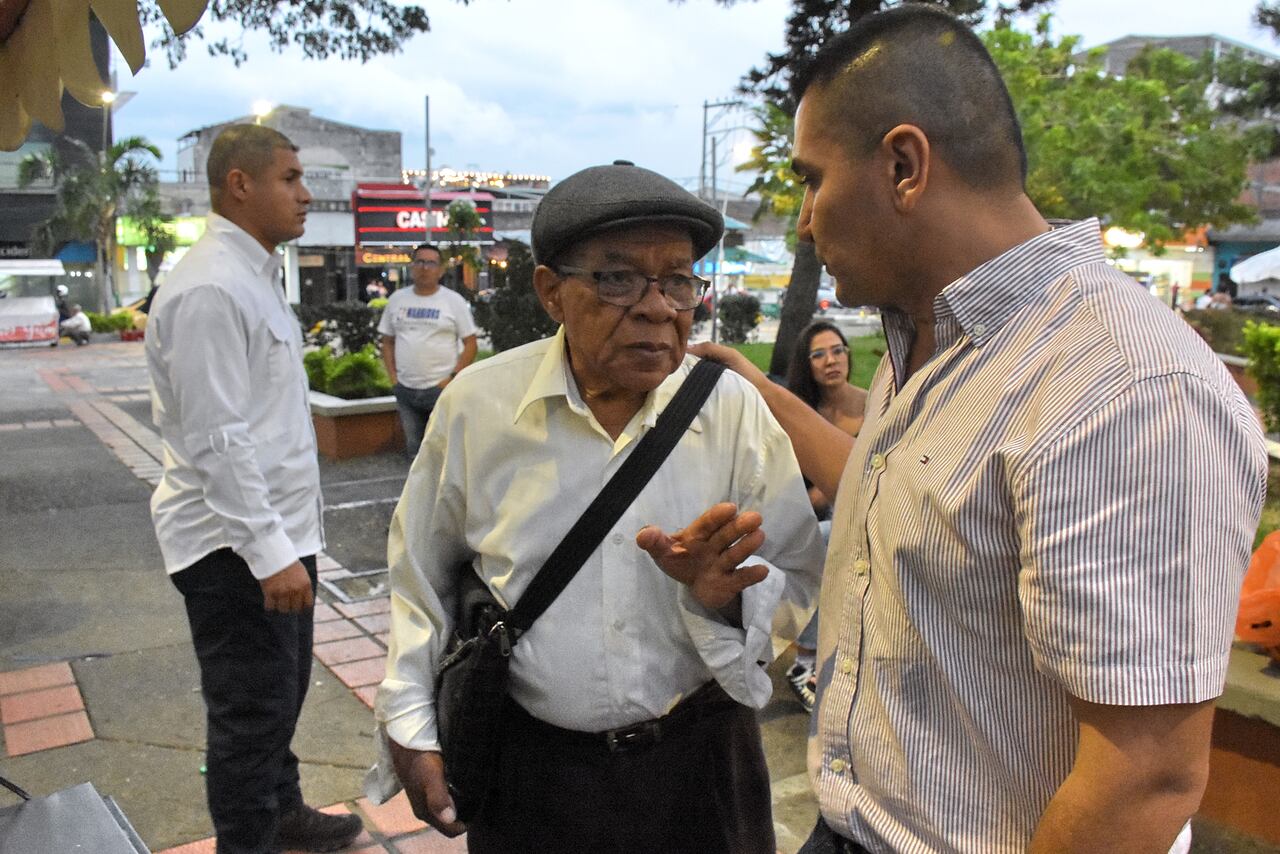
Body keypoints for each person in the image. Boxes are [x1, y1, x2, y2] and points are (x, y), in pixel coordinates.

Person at [676, 7, 1268, 853]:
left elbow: (1143, 780)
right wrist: (762, 391)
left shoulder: (1124, 388)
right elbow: (911, 492)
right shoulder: (929, 335)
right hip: (850, 822)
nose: (805, 220)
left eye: (812, 179)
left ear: (905, 166)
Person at [368, 160, 825, 853]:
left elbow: (799, 572)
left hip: (703, 769)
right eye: (617, 279)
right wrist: (408, 721)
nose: (656, 306)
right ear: (551, 292)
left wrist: (722, 600)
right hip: (533, 780)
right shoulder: (478, 407)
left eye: (677, 280)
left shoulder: (729, 409)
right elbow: (419, 578)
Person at [144, 124, 363, 854]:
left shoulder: (253, 274)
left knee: (281, 696)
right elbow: (218, 436)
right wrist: (270, 553)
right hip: (234, 547)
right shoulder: (210, 287)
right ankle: (250, 841)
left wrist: (289, 544)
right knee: (249, 713)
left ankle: (284, 812)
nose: (307, 195)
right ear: (240, 184)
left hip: (277, 535)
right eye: (291, 178)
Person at [782, 321, 865, 712]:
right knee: (825, 538)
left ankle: (810, 660)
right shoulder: (803, 416)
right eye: (819, 354)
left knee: (832, 538)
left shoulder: (875, 405)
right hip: (815, 519)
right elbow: (795, 493)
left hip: (869, 516)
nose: (831, 360)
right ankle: (806, 661)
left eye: (837, 350)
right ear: (808, 364)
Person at [377, 243, 478, 457]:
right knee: (416, 454)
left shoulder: (453, 301)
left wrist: (451, 378)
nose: (425, 267)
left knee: (444, 453)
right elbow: (387, 341)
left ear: (440, 270)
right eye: (420, 261)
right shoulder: (397, 300)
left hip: (440, 390)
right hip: (406, 390)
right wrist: (394, 379)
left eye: (431, 263)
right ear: (412, 266)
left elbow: (471, 343)